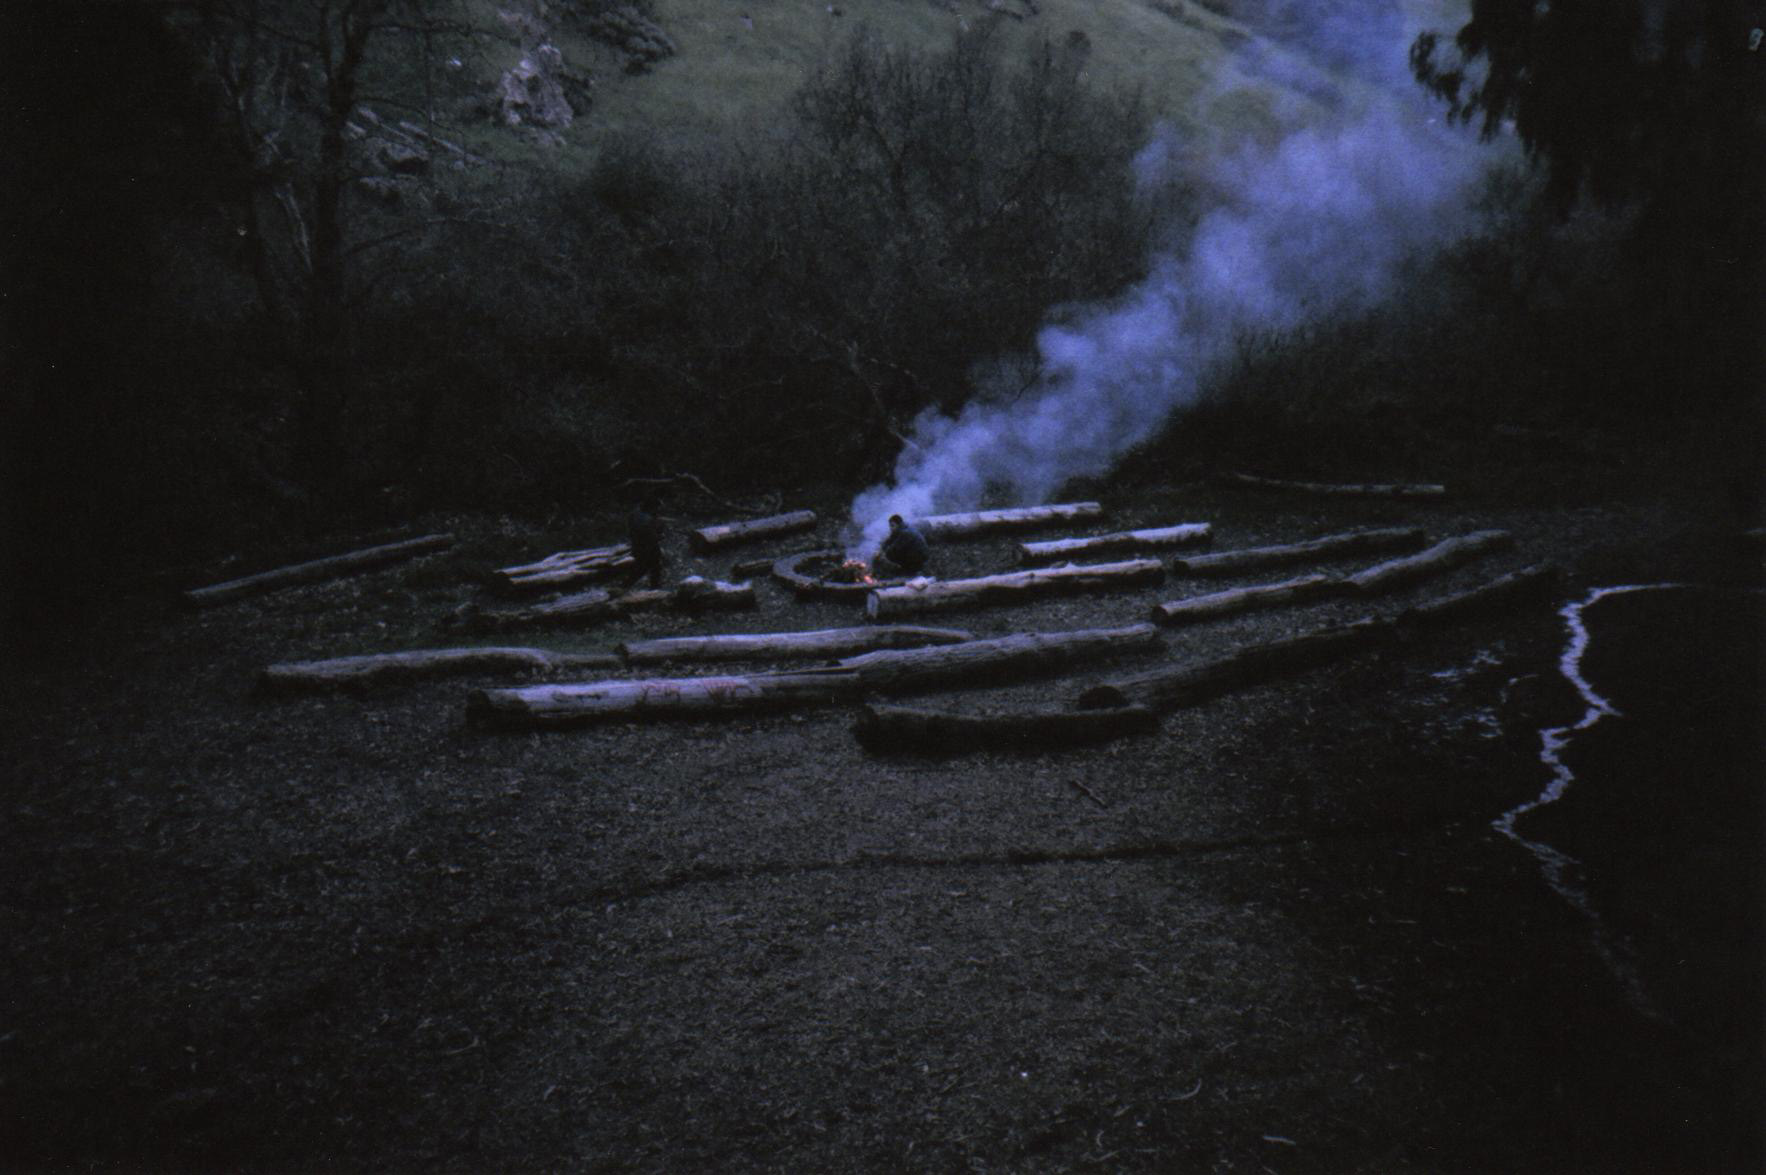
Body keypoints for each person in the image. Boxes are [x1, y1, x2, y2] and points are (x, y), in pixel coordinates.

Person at [624, 494, 665, 589]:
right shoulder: (647, 520)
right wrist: (660, 535)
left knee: (641, 567)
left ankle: (626, 585)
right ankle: (654, 588)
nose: (658, 510)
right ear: (652, 507)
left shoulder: (634, 514)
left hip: (636, 545)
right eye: (657, 508)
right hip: (648, 547)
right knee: (652, 567)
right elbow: (653, 537)